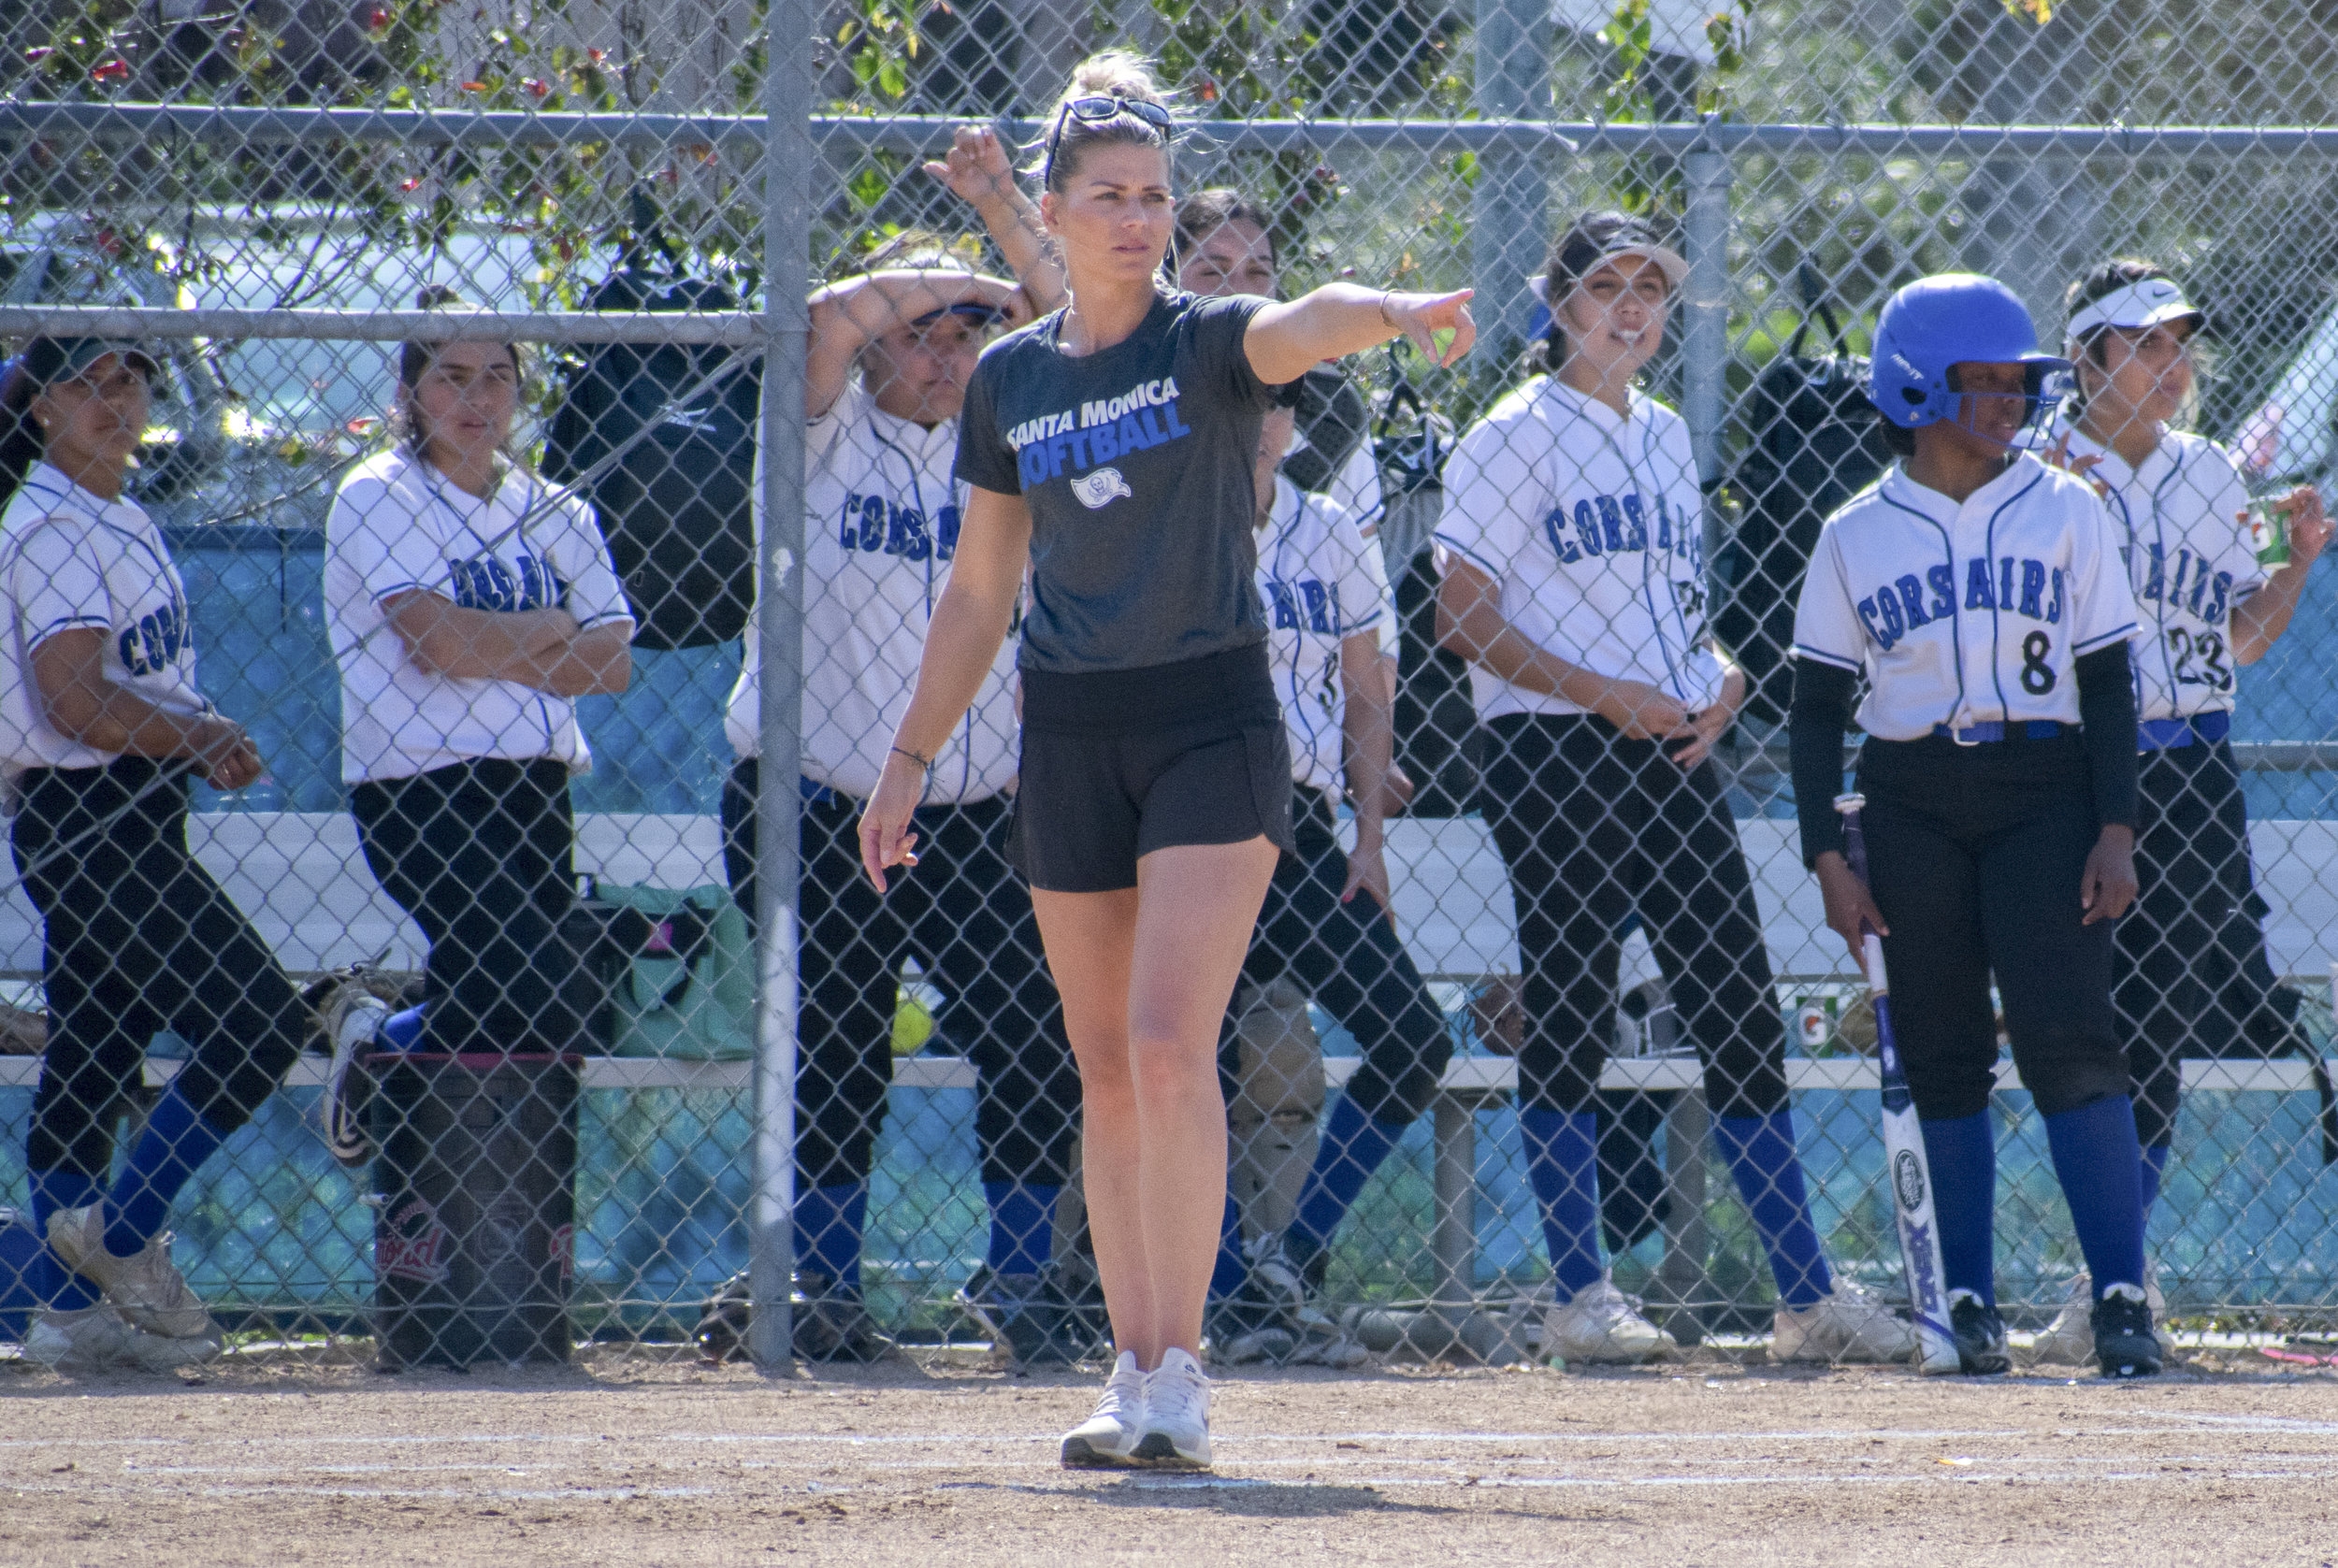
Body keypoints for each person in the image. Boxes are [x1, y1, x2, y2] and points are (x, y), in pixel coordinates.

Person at [860, 50, 1474, 1470]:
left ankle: (1183, 1368)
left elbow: (1299, 326)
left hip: (1213, 719)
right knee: (1102, 1065)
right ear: (1058, 211)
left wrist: (1386, 311)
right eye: (1112, 196)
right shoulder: (1007, 378)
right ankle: (1129, 1374)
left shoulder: (1204, 342)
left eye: (1155, 195)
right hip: (1069, 728)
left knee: (1163, 1039)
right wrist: (906, 760)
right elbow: (974, 592)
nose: (1138, 218)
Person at [1436, 209, 1911, 1367]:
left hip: (1672, 748)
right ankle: (1578, 1292)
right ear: (1558, 307)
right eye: (1607, 285)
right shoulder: (1512, 435)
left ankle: (1803, 1297)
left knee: (1736, 1004)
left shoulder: (1657, 434)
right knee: (1574, 1001)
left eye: (1652, 286)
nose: (1633, 306)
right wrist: (1606, 695)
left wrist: (1724, 677)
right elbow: (1461, 615)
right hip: (1557, 747)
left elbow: (1673, 614)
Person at [719, 132, 1087, 1366]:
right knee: (837, 1031)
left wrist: (996, 213)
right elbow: (820, 321)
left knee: (1035, 1027)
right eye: (920, 331)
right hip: (812, 792)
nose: (944, 353)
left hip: (975, 803)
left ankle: (1022, 1281)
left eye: (964, 335)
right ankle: (814, 1281)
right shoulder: (820, 430)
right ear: (881, 341)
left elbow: (1082, 318)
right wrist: (930, 276)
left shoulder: (1016, 435)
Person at [1788, 271, 2161, 1379]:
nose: (2009, 401)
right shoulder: (1856, 533)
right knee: (1945, 1053)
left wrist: (2116, 828)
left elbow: (2106, 686)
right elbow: (1814, 711)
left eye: (2019, 381)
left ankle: (2122, 1300)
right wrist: (1823, 854)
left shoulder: (2064, 509)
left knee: (2069, 1041)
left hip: (2046, 796)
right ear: (1914, 386)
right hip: (1909, 802)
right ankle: (1962, 1298)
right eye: (1983, 381)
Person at [2029, 261, 2331, 1362]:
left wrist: (2294, 567)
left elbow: (2239, 641)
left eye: (2178, 344)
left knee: (2156, 1028)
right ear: (2088, 357)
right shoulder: (2036, 471)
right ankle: (2097, 1274)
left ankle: (2110, 1282)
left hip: (2195, 764)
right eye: (2145, 344)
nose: (2173, 364)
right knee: (2083, 1024)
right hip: (2073, 773)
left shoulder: (2208, 477)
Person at [0, 337, 310, 1372]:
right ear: (39, 405)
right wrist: (201, 736)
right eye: (82, 382)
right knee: (261, 1019)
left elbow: (132, 689)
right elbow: (76, 700)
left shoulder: (120, 516)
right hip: (88, 818)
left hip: (133, 812)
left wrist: (198, 727)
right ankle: (122, 1240)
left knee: (93, 1050)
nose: (110, 398)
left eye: (128, 378)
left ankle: (61, 1311)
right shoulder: (49, 524)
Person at [321, 293, 633, 1099]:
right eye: (452, 377)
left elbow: (612, 664)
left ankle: (383, 1063)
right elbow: (435, 645)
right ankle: (381, 1056)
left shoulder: (556, 508)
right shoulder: (380, 493)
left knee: (517, 1007)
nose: (477, 399)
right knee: (526, 987)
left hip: (533, 788)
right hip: (420, 787)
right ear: (410, 393)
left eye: (497, 377)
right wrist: (549, 628)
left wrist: (491, 639)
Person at [1206, 396, 1451, 1365]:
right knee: (1198, 1063)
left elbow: (1364, 691)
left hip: (1304, 831)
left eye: (1277, 401)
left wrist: (1369, 839)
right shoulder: (1174, 511)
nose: (1259, 417)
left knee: (1412, 1038)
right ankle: (1221, 1290)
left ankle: (1288, 1264)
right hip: (1196, 820)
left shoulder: (1330, 532)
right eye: (1245, 396)